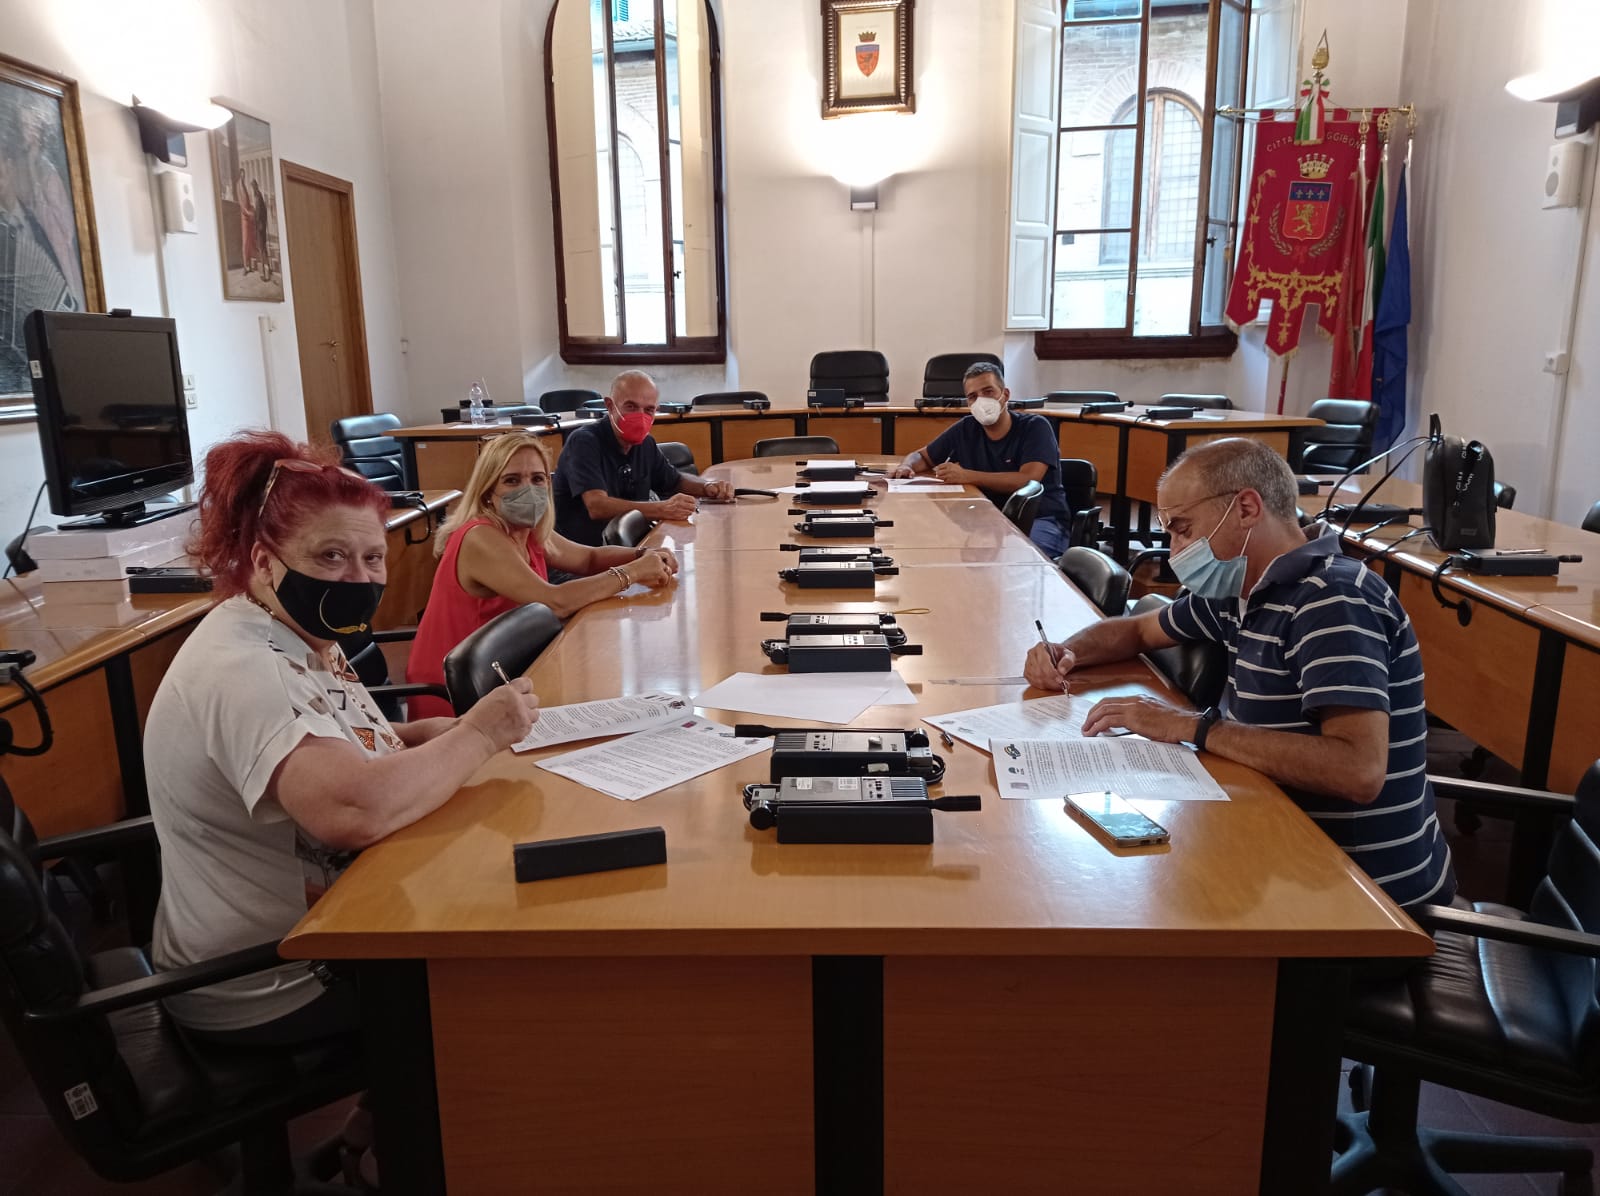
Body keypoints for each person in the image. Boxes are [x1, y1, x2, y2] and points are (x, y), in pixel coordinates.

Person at [144, 430, 539, 1047]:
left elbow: (327, 733)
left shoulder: (292, 627)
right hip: (272, 981)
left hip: (334, 921)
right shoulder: (245, 668)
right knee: (518, 979)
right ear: (263, 561)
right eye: (330, 556)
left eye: (372, 558)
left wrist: (416, 734)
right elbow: (352, 810)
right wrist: (479, 734)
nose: (358, 578)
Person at [1022, 437, 1455, 910]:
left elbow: (1358, 771)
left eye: (1183, 528)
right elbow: (1139, 629)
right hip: (1280, 837)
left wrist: (1193, 727)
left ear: (1246, 508)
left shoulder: (1333, 600)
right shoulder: (1242, 588)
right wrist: (1066, 651)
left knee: (1119, 907)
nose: (1174, 550)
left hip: (1361, 892)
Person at [405, 430, 679, 719]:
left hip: (509, 672)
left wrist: (643, 554)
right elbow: (554, 602)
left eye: (537, 479)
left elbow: (588, 558)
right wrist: (632, 572)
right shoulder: (480, 537)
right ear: (487, 491)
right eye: (512, 480)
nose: (528, 489)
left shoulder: (526, 528)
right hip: (458, 694)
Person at [892, 362, 1072, 556]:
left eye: (988, 392)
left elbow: (1027, 480)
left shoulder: (1035, 427)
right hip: (988, 519)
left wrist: (967, 475)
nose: (981, 401)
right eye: (973, 396)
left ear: (1005, 394)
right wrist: (906, 466)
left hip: (1040, 519)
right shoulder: (966, 428)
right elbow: (922, 456)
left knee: (1027, 560)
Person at [552, 369, 734, 546]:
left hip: (632, 548)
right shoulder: (583, 442)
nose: (640, 416)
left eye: (648, 410)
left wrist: (708, 487)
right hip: (583, 555)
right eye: (631, 407)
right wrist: (662, 509)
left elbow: (674, 481)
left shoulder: (645, 444)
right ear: (610, 406)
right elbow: (597, 506)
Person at [238, 167, 259, 276]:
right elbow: (242, 205)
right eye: (242, 175)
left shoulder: (244, 186)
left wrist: (252, 208)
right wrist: (249, 212)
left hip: (248, 217)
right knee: (246, 242)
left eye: (244, 175)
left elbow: (247, 202)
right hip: (245, 218)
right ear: (240, 175)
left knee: (249, 242)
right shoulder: (239, 185)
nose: (244, 176)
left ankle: (249, 266)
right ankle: (245, 267)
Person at [251, 178, 272, 282]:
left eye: (253, 186)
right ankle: (268, 270)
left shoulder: (258, 196)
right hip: (260, 226)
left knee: (261, 249)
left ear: (256, 186)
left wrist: (260, 223)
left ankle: (265, 274)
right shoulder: (258, 196)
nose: (253, 188)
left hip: (260, 227)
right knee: (263, 248)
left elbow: (260, 212)